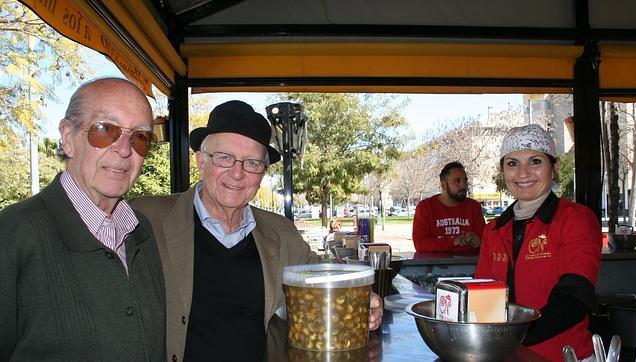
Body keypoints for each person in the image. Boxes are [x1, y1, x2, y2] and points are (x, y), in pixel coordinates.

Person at [131, 100, 383, 362]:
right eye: (225, 158)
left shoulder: (281, 233)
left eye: (251, 163)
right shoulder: (146, 218)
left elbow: (323, 278)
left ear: (262, 173)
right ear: (201, 161)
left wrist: (366, 301)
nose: (237, 173)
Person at [0, 77, 165, 361]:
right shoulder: (12, 234)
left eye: (140, 137)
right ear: (68, 137)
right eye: (105, 130)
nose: (125, 150)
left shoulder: (141, 230)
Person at [474, 124, 602, 361]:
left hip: (565, 355)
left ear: (554, 168)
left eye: (535, 161)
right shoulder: (494, 230)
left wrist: (517, 335)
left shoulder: (575, 218)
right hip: (505, 354)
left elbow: (575, 296)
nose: (523, 173)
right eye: (512, 163)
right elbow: (482, 294)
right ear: (503, 171)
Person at [412, 161, 486, 253]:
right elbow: (420, 244)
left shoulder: (474, 207)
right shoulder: (426, 207)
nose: (463, 185)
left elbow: (487, 242)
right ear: (444, 185)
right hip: (435, 265)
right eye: (457, 181)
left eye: (465, 181)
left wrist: (480, 242)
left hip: (470, 265)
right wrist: (454, 241)